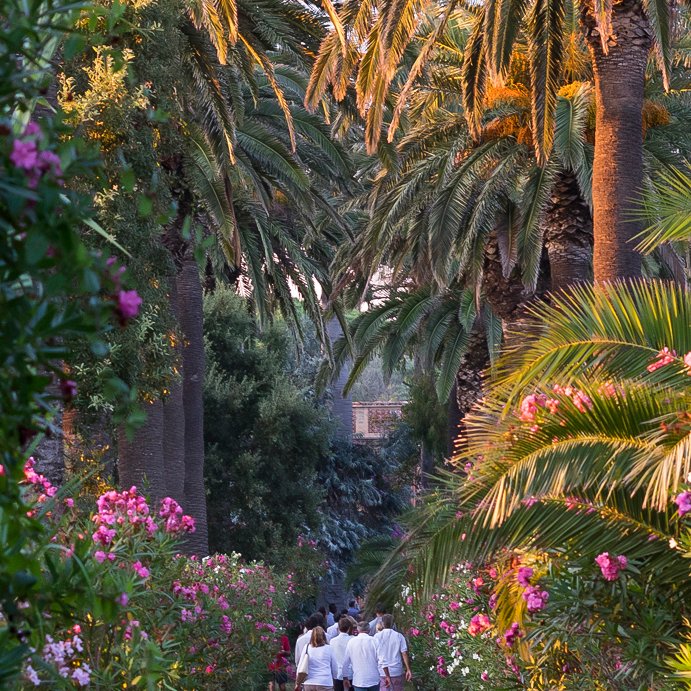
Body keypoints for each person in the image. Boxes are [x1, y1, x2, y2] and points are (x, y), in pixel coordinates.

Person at [373, 614, 412, 690]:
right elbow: (404, 653)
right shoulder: (399, 636)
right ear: (393, 623)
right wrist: (408, 669)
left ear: (382, 623)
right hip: (396, 670)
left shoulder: (377, 637)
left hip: (382, 670)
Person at [342, 621, 380, 691]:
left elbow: (346, 662)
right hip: (373, 678)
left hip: (359, 679)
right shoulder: (375, 641)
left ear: (358, 630)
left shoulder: (351, 642)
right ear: (369, 630)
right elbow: (380, 660)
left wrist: (345, 677)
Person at [299, 626, 338, 691]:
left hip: (309, 682)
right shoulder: (329, 648)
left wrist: (298, 682)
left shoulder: (307, 647)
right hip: (325, 682)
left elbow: (301, 665)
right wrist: (334, 678)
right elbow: (334, 667)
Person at [330, 616, 355, 691]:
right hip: (351, 673)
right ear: (349, 628)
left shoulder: (332, 641)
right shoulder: (353, 640)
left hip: (337, 673)